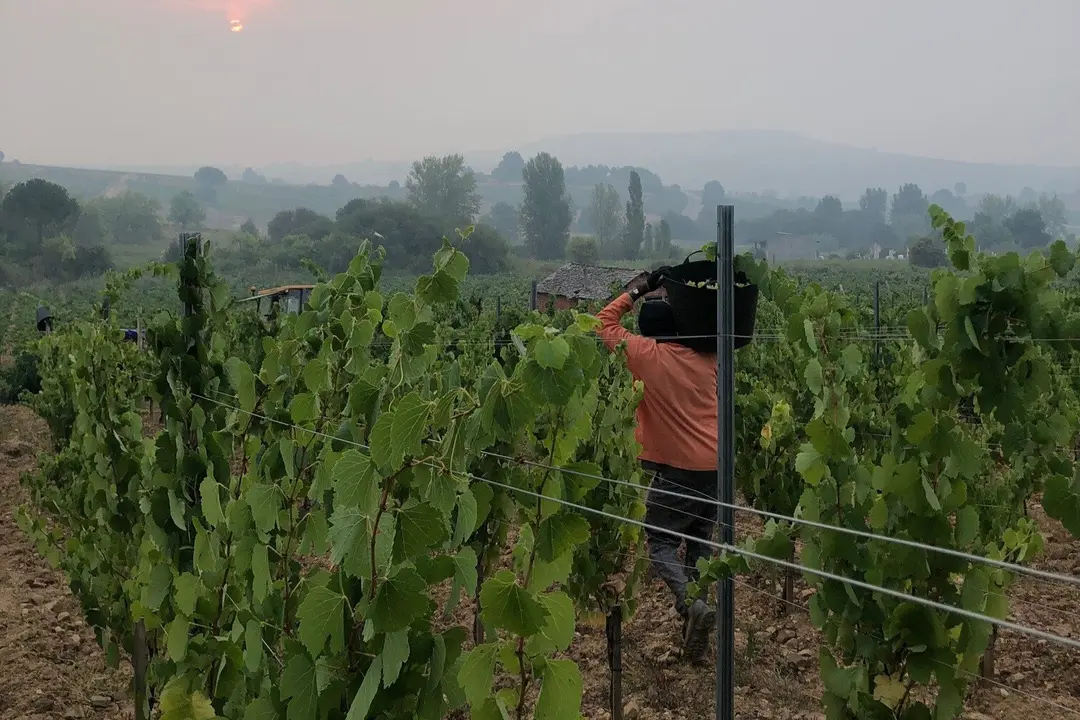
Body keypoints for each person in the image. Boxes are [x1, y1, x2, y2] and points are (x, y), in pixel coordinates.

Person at [596, 270, 718, 665]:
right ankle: (697, 641)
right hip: (715, 467)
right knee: (699, 545)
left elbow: (602, 323)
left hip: (678, 469)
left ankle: (690, 606)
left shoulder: (646, 355)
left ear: (650, 332)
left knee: (661, 541)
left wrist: (639, 289)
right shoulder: (706, 357)